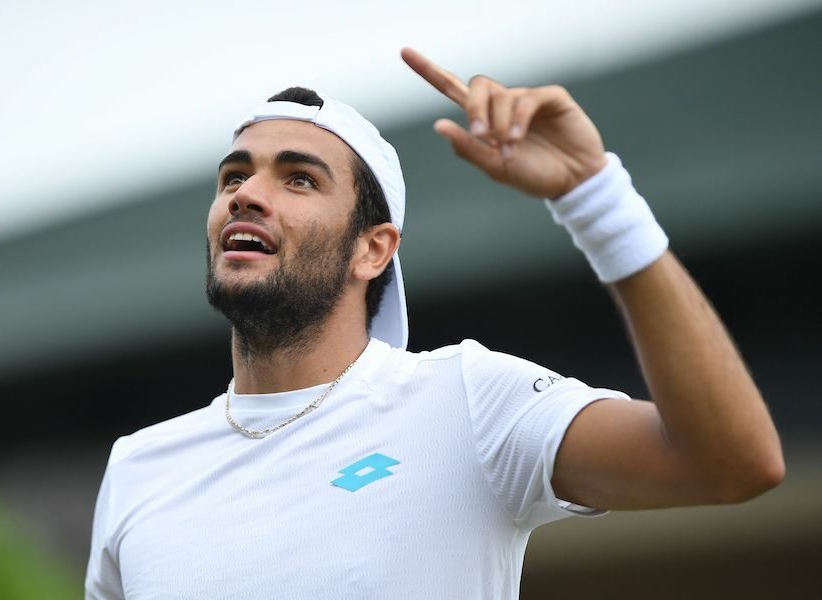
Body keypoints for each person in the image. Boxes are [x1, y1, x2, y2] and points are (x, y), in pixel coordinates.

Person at [85, 48, 784, 599]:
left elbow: (732, 465)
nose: (248, 196)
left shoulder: (469, 400)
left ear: (373, 249)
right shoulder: (138, 466)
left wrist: (594, 197)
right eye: (234, 176)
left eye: (298, 179)